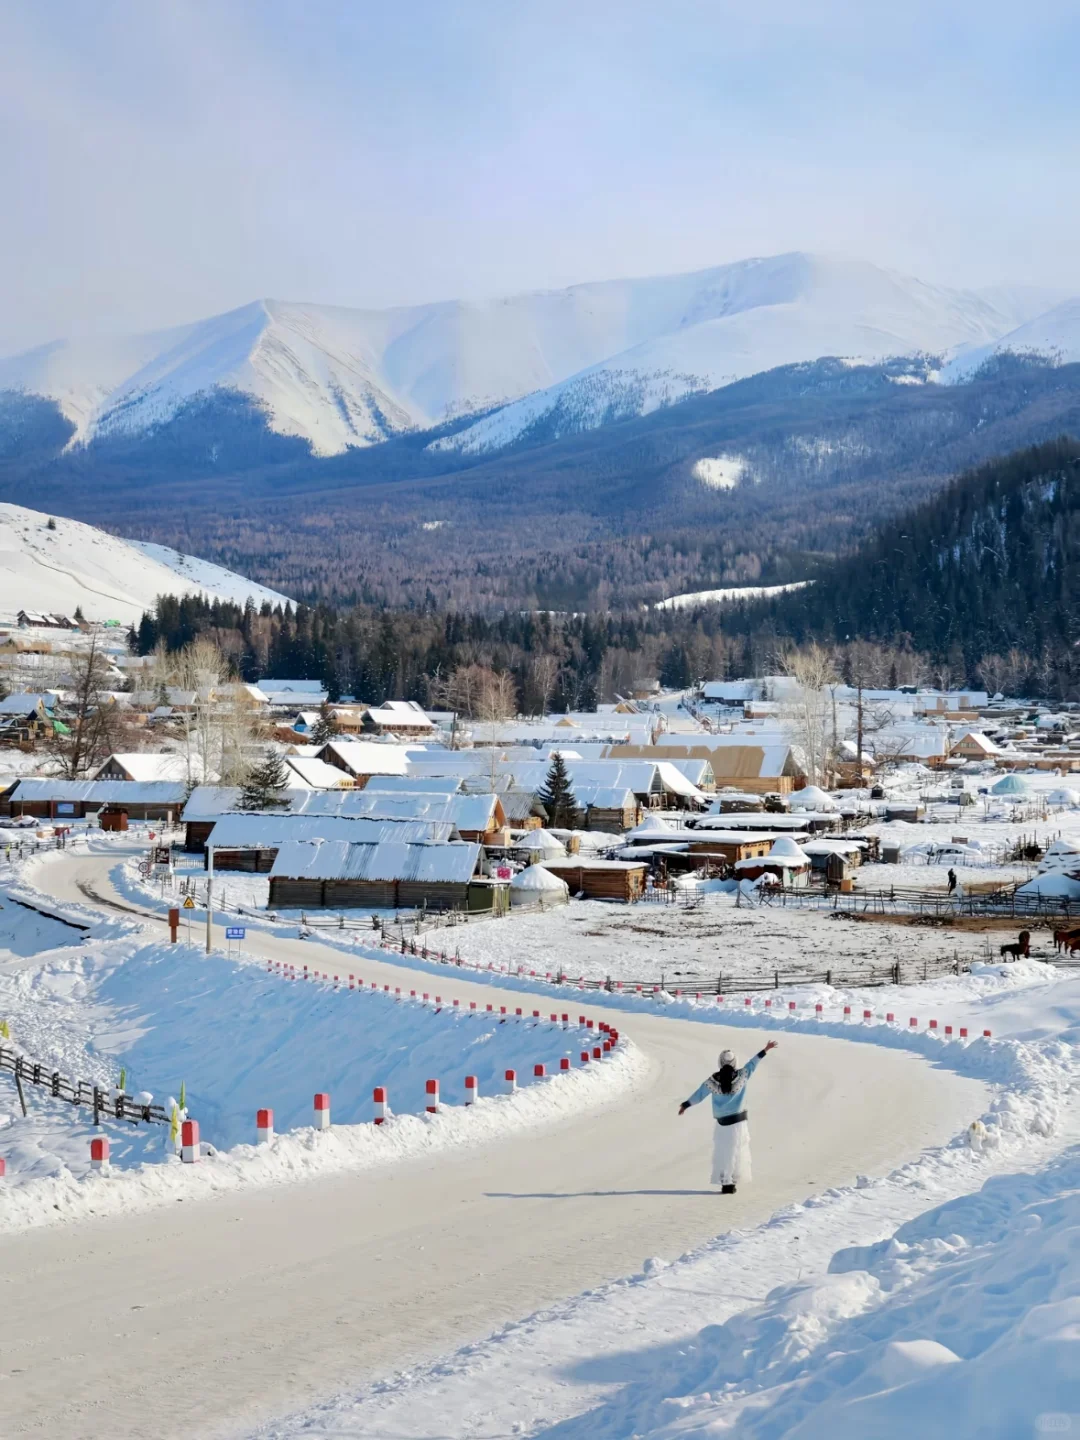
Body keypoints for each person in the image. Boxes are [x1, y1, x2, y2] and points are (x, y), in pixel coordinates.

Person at [678, 1041, 778, 1193]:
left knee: (724, 1152)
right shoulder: (743, 1075)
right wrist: (765, 1050)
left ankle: (726, 1183)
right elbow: (753, 1063)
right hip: (739, 1121)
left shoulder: (712, 1081)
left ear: (720, 1062)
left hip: (722, 1123)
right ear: (734, 1062)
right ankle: (732, 1182)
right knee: (737, 1151)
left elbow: (699, 1095)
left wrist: (686, 1104)